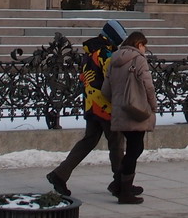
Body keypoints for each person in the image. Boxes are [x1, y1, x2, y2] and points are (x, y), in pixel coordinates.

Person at [45, 20, 128, 198]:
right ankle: (121, 184)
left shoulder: (90, 50)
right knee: (116, 142)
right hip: (105, 105)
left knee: (89, 140)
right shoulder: (105, 53)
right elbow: (111, 77)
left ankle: (60, 174)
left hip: (91, 103)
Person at [102, 30, 157, 205]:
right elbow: (148, 86)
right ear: (138, 44)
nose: (145, 49)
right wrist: (153, 106)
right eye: (144, 45)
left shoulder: (113, 59)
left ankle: (120, 184)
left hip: (120, 111)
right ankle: (123, 189)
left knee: (133, 148)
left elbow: (105, 90)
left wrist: (118, 101)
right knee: (135, 149)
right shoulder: (138, 59)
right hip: (136, 110)